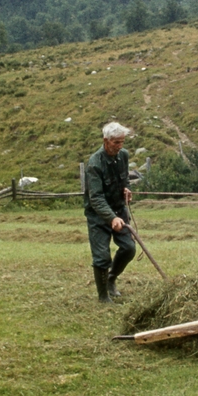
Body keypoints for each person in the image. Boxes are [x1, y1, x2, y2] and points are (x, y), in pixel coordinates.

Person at [84, 122, 136, 302]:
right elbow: (96, 198)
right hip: (98, 215)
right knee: (101, 256)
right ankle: (103, 297)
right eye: (116, 143)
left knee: (129, 248)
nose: (120, 146)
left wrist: (127, 190)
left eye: (122, 142)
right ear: (106, 141)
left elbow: (125, 179)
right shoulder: (94, 164)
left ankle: (111, 279)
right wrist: (111, 218)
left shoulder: (123, 156)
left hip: (118, 209)